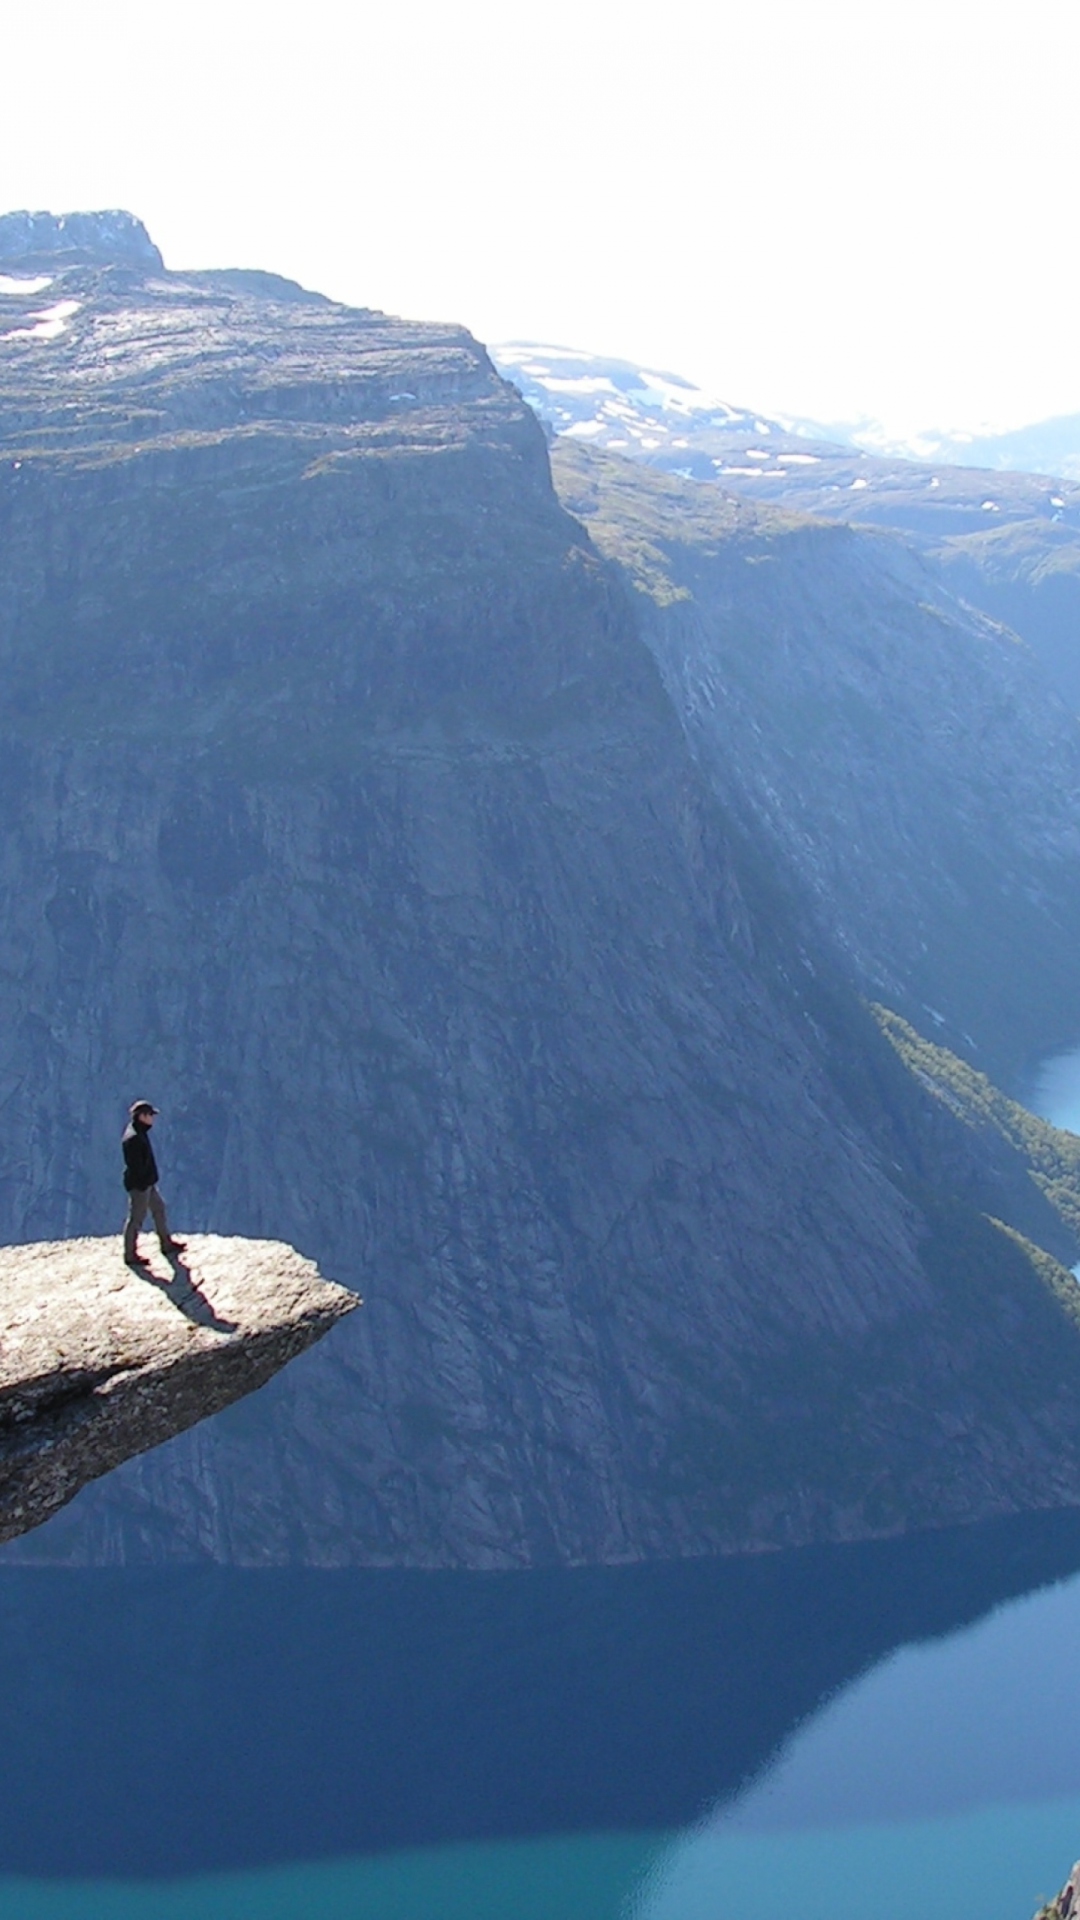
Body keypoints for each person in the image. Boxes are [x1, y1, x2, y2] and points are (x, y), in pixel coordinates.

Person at [122, 1101, 186, 1265]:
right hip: (140, 1186)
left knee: (159, 1209)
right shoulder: (134, 1138)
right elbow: (136, 1166)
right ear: (142, 1116)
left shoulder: (139, 1132)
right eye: (150, 1115)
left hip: (147, 1184)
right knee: (136, 1218)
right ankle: (130, 1255)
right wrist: (144, 1183)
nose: (153, 1118)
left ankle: (166, 1244)